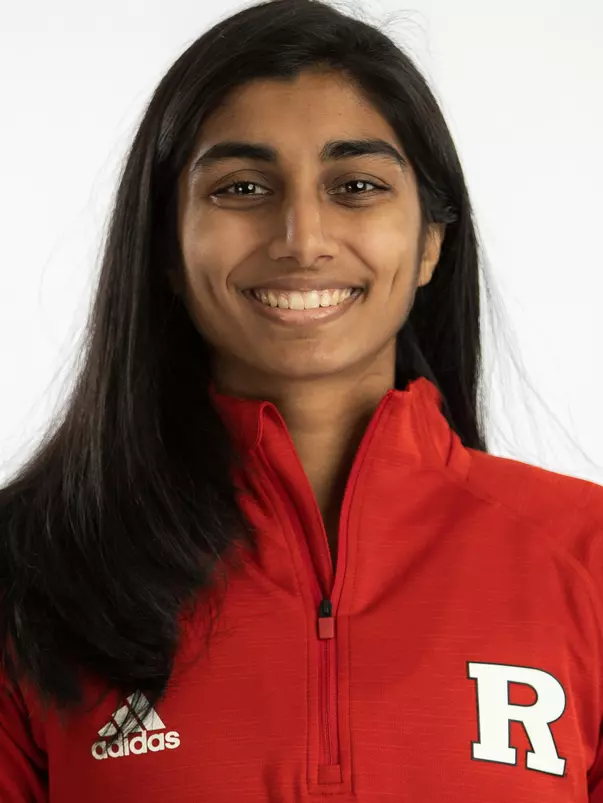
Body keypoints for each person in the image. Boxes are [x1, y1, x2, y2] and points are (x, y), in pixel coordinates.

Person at [1, 0, 602, 799]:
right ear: (166, 248)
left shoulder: (584, 557)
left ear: (430, 241)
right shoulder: (27, 569)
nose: (301, 236)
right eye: (241, 187)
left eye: (355, 185)